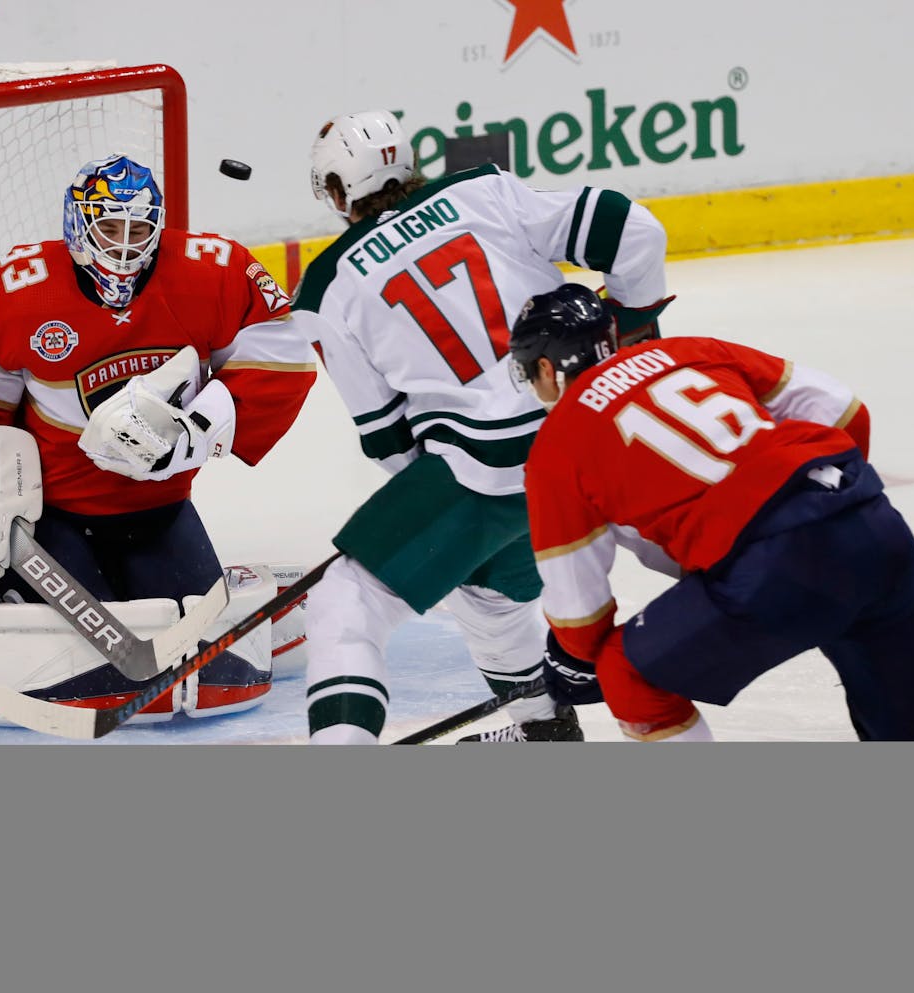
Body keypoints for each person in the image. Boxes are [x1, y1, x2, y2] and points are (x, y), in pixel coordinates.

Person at [286, 109, 675, 743]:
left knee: (347, 599)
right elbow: (634, 229)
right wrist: (631, 343)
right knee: (491, 596)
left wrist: (442, 523)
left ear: (334, 192)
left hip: (484, 470)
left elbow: (386, 435)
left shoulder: (325, 287)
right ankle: (544, 731)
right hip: (594, 434)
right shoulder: (483, 190)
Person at [0, 153, 317, 716]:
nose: (125, 245)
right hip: (51, 519)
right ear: (77, 223)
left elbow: (284, 357)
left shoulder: (212, 270)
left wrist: (196, 431)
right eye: (109, 227)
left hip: (159, 509)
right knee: (98, 669)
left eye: (139, 229)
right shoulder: (20, 289)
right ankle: (11, 587)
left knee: (209, 666)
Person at [507, 283, 914, 741]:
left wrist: (581, 656)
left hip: (775, 569)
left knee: (628, 674)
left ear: (547, 367)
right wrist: (823, 512)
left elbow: (577, 603)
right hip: (872, 525)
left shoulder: (557, 446)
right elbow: (845, 410)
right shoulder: (689, 351)